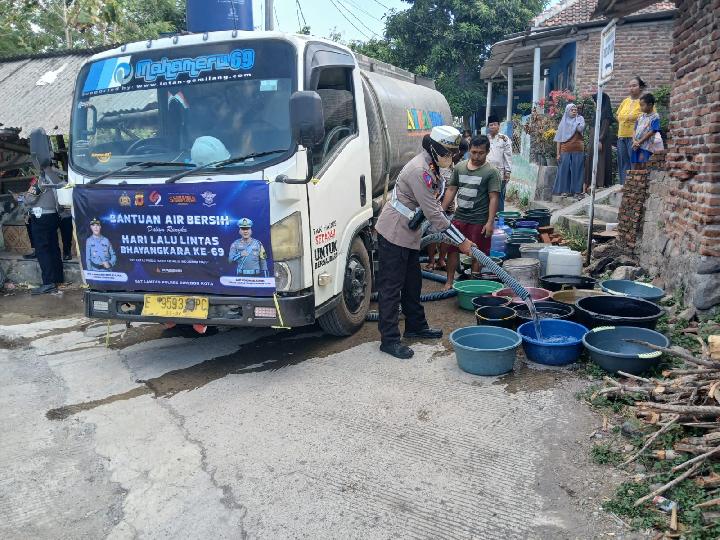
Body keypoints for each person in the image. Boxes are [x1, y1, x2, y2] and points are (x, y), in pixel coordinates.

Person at [375, 126, 474, 359]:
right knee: (391, 288)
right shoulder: (420, 170)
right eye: (448, 152)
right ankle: (389, 340)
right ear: (435, 148)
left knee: (412, 283)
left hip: (408, 234)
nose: (451, 157)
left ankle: (415, 326)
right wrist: (462, 242)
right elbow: (435, 215)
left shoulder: (432, 166)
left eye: (453, 153)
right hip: (393, 233)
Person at [442, 135, 501, 289]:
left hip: (479, 220)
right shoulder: (460, 167)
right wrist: (440, 211)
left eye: (480, 153)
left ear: (487, 152)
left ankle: (473, 284)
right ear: (469, 150)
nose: (476, 156)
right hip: (459, 218)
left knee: (477, 253)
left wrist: (490, 222)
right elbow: (451, 189)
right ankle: (449, 282)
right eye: (473, 152)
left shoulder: (491, 172)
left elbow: (494, 198)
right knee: (453, 250)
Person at [424, 139, 466, 271]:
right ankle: (431, 261)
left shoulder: (458, 167)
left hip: (449, 207)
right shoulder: (439, 163)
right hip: (435, 205)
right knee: (432, 233)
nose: (459, 157)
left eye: (461, 155)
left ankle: (441, 259)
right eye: (458, 153)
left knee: (447, 236)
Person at [23, 176, 63, 294]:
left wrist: (24, 197)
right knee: (53, 247)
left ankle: (48, 283)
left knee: (42, 249)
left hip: (41, 217)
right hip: (54, 216)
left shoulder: (41, 179)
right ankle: (58, 279)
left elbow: (30, 199)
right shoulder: (57, 178)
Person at [616, 76, 646, 184]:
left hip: (636, 138)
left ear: (640, 88)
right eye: (630, 86)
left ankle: (634, 187)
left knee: (635, 162)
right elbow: (617, 115)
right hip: (621, 137)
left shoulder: (644, 101)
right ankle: (625, 186)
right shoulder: (625, 102)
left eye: (634, 86)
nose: (631, 88)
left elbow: (649, 119)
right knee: (623, 162)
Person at [552, 104, 586, 197]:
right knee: (564, 170)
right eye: (572, 110)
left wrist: (577, 121)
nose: (574, 111)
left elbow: (580, 129)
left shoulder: (580, 119)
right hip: (565, 149)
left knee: (577, 170)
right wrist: (558, 154)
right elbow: (559, 139)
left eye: (575, 110)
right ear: (567, 111)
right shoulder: (563, 122)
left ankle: (577, 191)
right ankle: (564, 191)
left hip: (578, 149)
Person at [584, 92, 614, 192]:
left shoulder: (605, 112)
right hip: (594, 139)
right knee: (592, 159)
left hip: (601, 140)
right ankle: (593, 182)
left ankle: (600, 183)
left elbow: (605, 127)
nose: (595, 102)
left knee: (600, 160)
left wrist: (600, 140)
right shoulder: (598, 111)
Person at [486, 115, 513, 211]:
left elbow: (508, 156)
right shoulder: (485, 139)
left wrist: (508, 172)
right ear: (488, 127)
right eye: (490, 125)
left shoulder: (504, 139)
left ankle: (499, 219)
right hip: (486, 172)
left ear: (499, 126)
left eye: (494, 124)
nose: (492, 126)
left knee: (499, 197)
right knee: (486, 197)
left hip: (499, 173)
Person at [631, 93, 662, 170]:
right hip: (636, 145)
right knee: (635, 164)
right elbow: (634, 129)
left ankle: (643, 181)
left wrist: (639, 142)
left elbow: (652, 131)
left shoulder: (655, 117)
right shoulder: (640, 116)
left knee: (643, 164)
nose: (640, 107)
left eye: (642, 105)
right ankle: (636, 180)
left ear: (650, 105)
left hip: (646, 146)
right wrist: (634, 140)